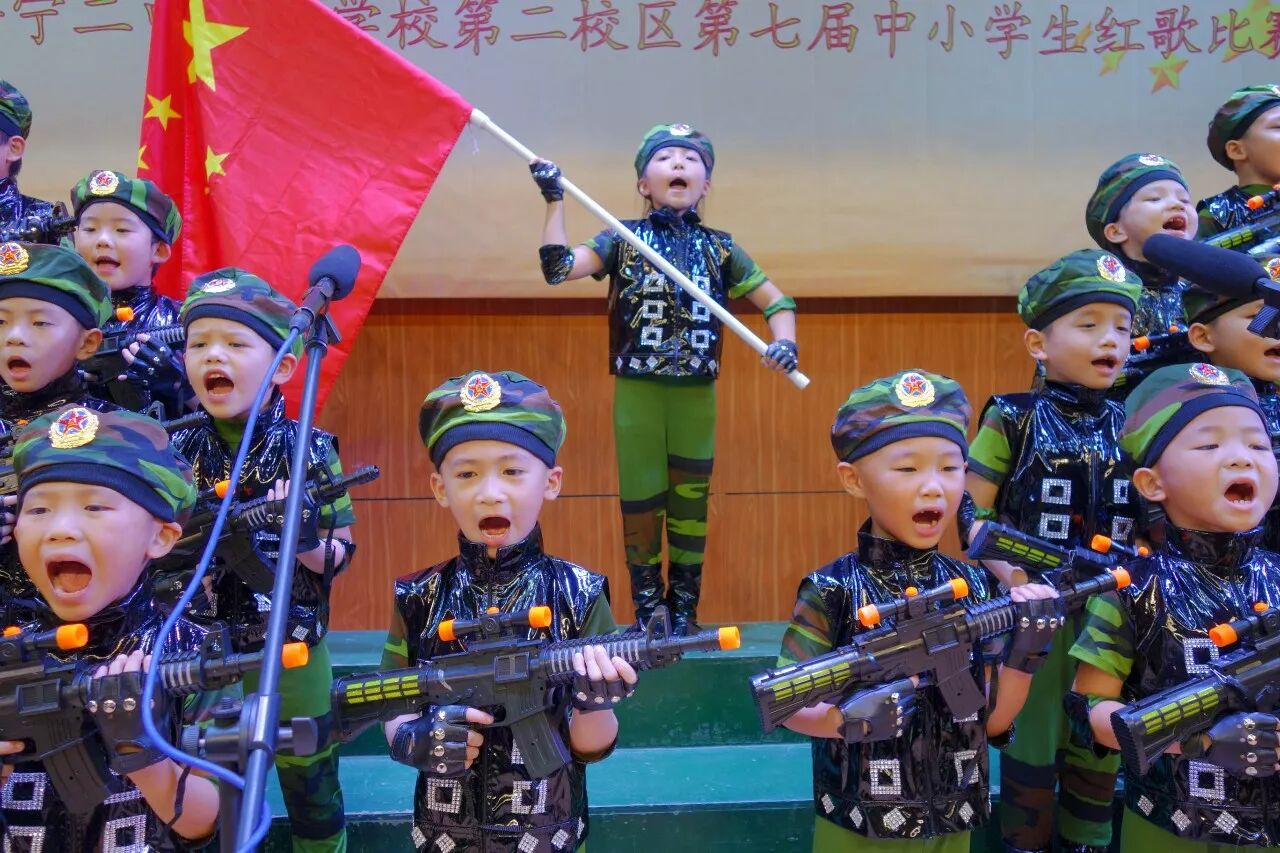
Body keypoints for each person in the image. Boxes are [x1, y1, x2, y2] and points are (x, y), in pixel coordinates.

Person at [530, 122, 798, 634]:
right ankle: (649, 612)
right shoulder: (621, 238)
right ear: (643, 183)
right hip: (638, 391)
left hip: (697, 393)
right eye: (666, 157)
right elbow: (559, 268)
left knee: (690, 503)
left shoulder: (722, 249)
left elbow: (778, 302)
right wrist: (554, 199)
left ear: (706, 184)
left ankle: (686, 611)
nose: (679, 164)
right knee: (641, 498)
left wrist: (785, 342)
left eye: (691, 159)